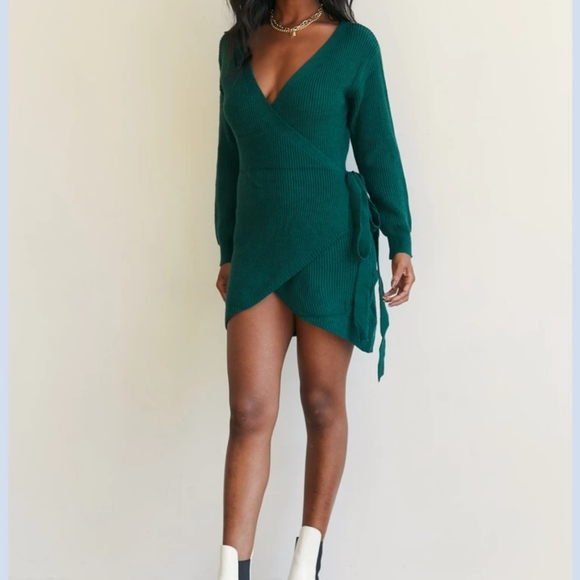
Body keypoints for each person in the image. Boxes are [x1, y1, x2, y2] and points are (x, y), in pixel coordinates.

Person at [213, 1, 416, 578]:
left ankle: (306, 564)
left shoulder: (354, 46)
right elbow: (229, 156)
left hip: (330, 244)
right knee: (248, 411)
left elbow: (378, 146)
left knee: (322, 404)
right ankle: (231, 571)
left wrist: (399, 238)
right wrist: (227, 248)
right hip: (257, 247)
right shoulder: (235, 46)